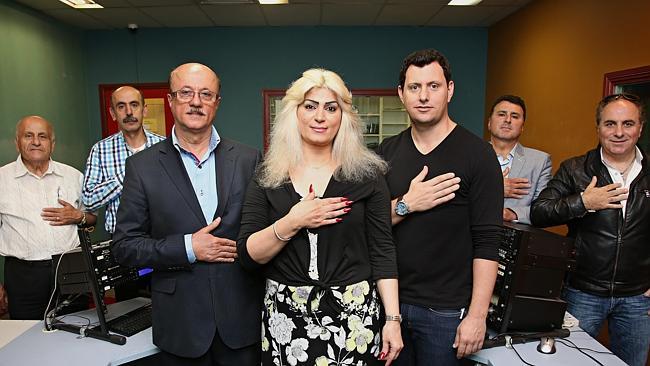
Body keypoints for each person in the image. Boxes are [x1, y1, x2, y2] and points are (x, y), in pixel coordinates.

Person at [237, 68, 403, 365]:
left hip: (355, 320)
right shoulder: (268, 175)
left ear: (344, 117)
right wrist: (292, 221)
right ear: (294, 114)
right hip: (286, 321)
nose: (320, 117)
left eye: (331, 108)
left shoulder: (368, 175)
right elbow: (249, 255)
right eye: (310, 106)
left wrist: (393, 319)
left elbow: (383, 251)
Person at [112, 63, 262, 365]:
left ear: (217, 103)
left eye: (206, 94)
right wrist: (188, 247)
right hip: (180, 324)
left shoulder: (248, 158)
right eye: (186, 93)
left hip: (240, 321)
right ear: (170, 101)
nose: (196, 101)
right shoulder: (143, 167)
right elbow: (124, 246)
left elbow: (264, 231)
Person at [376, 49, 502, 365]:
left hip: (446, 313)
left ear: (450, 90)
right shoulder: (386, 153)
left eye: (433, 86)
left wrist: (477, 315)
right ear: (400, 94)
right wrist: (407, 204)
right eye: (414, 87)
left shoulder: (478, 154)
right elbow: (371, 226)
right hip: (390, 305)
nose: (423, 96)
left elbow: (488, 243)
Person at [531, 93, 650, 366]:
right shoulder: (575, 169)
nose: (619, 132)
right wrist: (583, 202)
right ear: (598, 128)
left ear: (640, 127)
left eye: (628, 124)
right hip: (583, 292)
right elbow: (540, 212)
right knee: (570, 362)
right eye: (610, 124)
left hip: (637, 298)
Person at [0, 116, 96, 320]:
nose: (36, 141)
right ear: (16, 142)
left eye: (42, 136)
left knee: (80, 331)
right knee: (27, 337)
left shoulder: (74, 176)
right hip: (23, 277)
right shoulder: (2, 180)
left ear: (52, 144)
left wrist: (79, 216)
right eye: (29, 136)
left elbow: (92, 219)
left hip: (71, 271)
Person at [82, 85, 165, 234]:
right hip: (121, 241)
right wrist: (128, 175)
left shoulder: (164, 147)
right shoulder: (100, 150)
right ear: (113, 113)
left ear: (144, 110)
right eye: (121, 106)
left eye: (134, 105)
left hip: (161, 238)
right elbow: (88, 199)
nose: (129, 112)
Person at [487, 94, 552, 224]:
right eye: (501, 114)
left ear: (522, 127)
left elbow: (543, 209)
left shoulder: (540, 161)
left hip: (515, 239)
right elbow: (456, 199)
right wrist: (495, 188)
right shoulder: (470, 154)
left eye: (515, 116)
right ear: (489, 123)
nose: (508, 120)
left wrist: (512, 213)